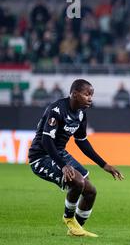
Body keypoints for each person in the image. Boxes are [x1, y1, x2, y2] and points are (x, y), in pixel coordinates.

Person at [28, 79, 124, 237]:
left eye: (91, 95)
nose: (90, 98)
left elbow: (82, 141)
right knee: (77, 182)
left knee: (91, 191)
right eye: (87, 94)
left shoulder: (80, 114)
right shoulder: (56, 110)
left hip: (60, 153)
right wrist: (63, 165)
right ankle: (69, 219)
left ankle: (76, 229)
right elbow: (46, 141)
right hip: (41, 156)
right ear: (74, 94)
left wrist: (104, 164)